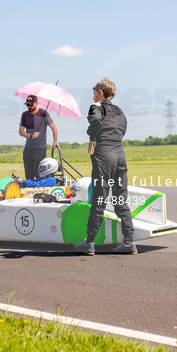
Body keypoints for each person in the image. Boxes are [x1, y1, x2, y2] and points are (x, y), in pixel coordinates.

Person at [73, 79, 136, 255]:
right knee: (120, 199)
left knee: (99, 198)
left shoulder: (96, 106)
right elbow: (123, 128)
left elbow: (96, 121)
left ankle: (89, 242)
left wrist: (92, 139)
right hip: (119, 154)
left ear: (101, 93)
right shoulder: (120, 111)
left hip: (104, 154)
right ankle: (129, 242)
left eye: (94, 92)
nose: (92, 96)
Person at [18, 95, 58, 180]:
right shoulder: (24, 115)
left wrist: (55, 142)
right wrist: (30, 136)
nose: (29, 107)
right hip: (28, 149)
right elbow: (21, 131)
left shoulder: (43, 113)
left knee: (38, 174)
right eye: (27, 105)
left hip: (40, 149)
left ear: (36, 103)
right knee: (28, 175)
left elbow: (54, 128)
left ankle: (39, 192)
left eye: (31, 105)